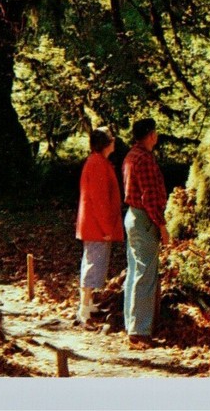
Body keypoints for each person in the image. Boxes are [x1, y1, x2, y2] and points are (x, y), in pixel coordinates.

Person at [122, 117, 168, 348]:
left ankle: (132, 324)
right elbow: (149, 197)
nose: (157, 136)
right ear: (150, 135)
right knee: (145, 274)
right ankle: (139, 332)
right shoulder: (145, 159)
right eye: (155, 132)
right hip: (144, 219)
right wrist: (162, 225)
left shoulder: (131, 156)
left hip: (132, 216)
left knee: (135, 271)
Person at [75, 127, 124, 326]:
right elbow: (99, 200)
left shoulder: (99, 162)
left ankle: (88, 303)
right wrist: (105, 228)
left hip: (96, 224)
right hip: (97, 226)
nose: (114, 141)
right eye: (111, 139)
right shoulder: (97, 164)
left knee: (95, 263)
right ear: (105, 143)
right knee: (93, 265)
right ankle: (84, 308)